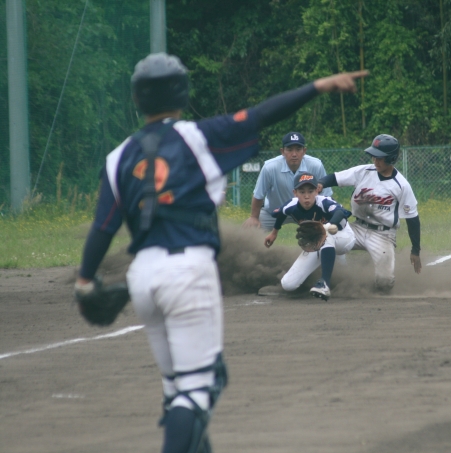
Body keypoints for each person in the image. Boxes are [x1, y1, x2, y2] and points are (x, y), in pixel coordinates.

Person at [73, 52, 367, 453]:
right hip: (188, 272)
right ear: (182, 93)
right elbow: (263, 114)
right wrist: (318, 86)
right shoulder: (198, 136)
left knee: (178, 390)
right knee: (199, 389)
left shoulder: (118, 156)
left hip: (141, 278)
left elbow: (103, 227)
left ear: (137, 98)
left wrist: (84, 282)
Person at [317, 134, 422, 292]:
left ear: (392, 158)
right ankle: (322, 278)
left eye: (380, 157)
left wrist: (415, 250)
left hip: (383, 235)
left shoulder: (401, 185)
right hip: (356, 228)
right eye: (374, 156)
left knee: (385, 283)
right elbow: (336, 178)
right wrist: (321, 183)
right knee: (324, 238)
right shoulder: (364, 171)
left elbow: (412, 219)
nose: (375, 160)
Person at [264, 172, 355, 301]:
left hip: (344, 237)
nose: (307, 196)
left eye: (310, 191)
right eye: (302, 192)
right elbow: (280, 214)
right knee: (288, 284)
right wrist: (274, 232)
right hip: (319, 243)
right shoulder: (292, 205)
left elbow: (340, 212)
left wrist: (331, 224)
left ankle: (324, 284)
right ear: (295, 193)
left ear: (317, 191)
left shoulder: (324, 202)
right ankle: (312, 282)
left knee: (325, 233)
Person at [243, 131, 333, 231]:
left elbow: (326, 195)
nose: (294, 154)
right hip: (274, 210)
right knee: (251, 231)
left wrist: (328, 217)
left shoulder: (316, 165)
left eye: (298, 149)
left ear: (304, 151)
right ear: (282, 151)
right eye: (289, 150)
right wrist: (254, 217)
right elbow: (258, 194)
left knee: (327, 231)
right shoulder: (270, 167)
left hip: (308, 211)